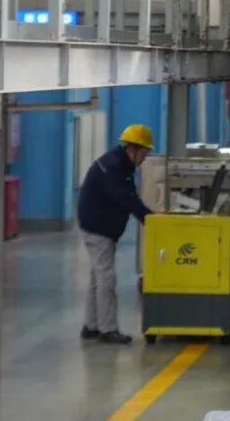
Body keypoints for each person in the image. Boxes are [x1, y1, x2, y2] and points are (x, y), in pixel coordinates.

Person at [77, 124, 155, 344]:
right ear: (134, 149)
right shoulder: (113, 167)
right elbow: (125, 199)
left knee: (97, 277)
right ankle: (107, 329)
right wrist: (150, 218)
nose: (144, 158)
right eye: (144, 153)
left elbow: (130, 196)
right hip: (98, 228)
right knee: (106, 278)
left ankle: (91, 325)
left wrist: (148, 216)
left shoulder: (121, 165)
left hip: (97, 225)